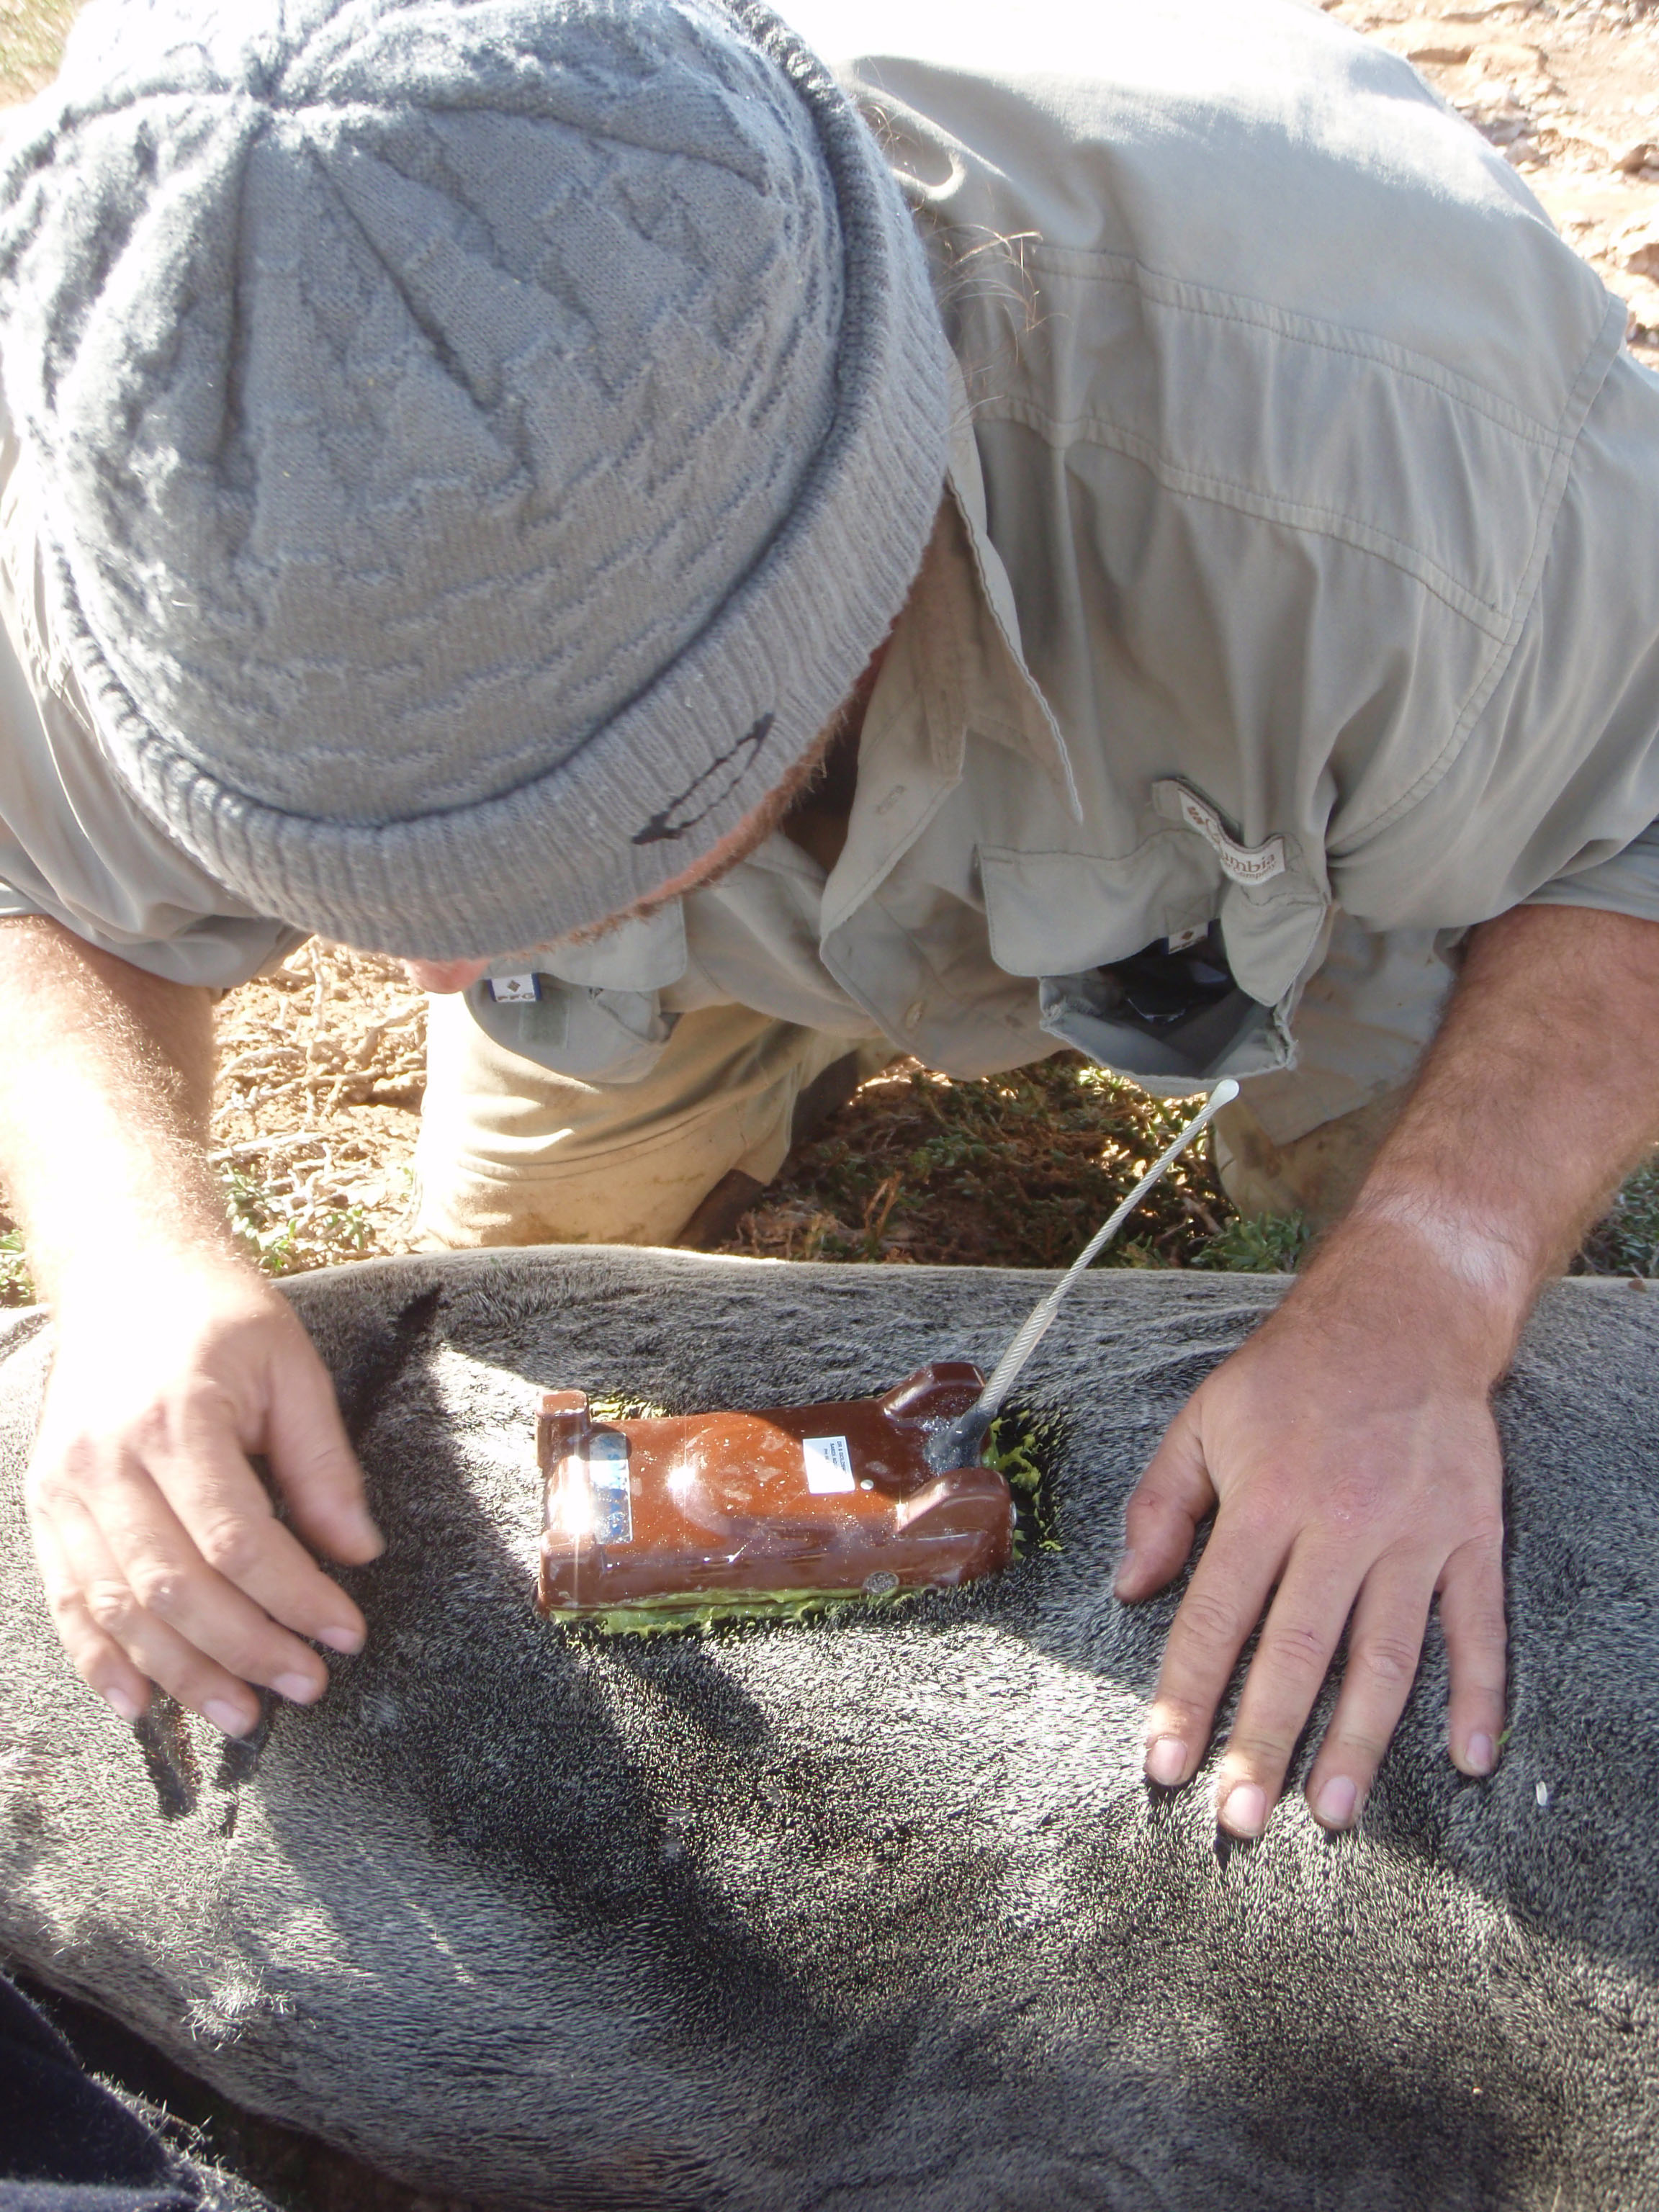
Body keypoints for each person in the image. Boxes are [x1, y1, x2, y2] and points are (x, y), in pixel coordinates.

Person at [1, 0, 1656, 1850]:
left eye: (537, 858)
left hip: (1293, 849)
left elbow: (1642, 835)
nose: (430, 980)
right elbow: (29, 887)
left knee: (1399, 1300)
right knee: (524, 1288)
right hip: (701, 932)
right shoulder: (180, 442)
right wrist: (129, 1262)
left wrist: (1426, 1286)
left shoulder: (1375, 465)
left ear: (813, 627)